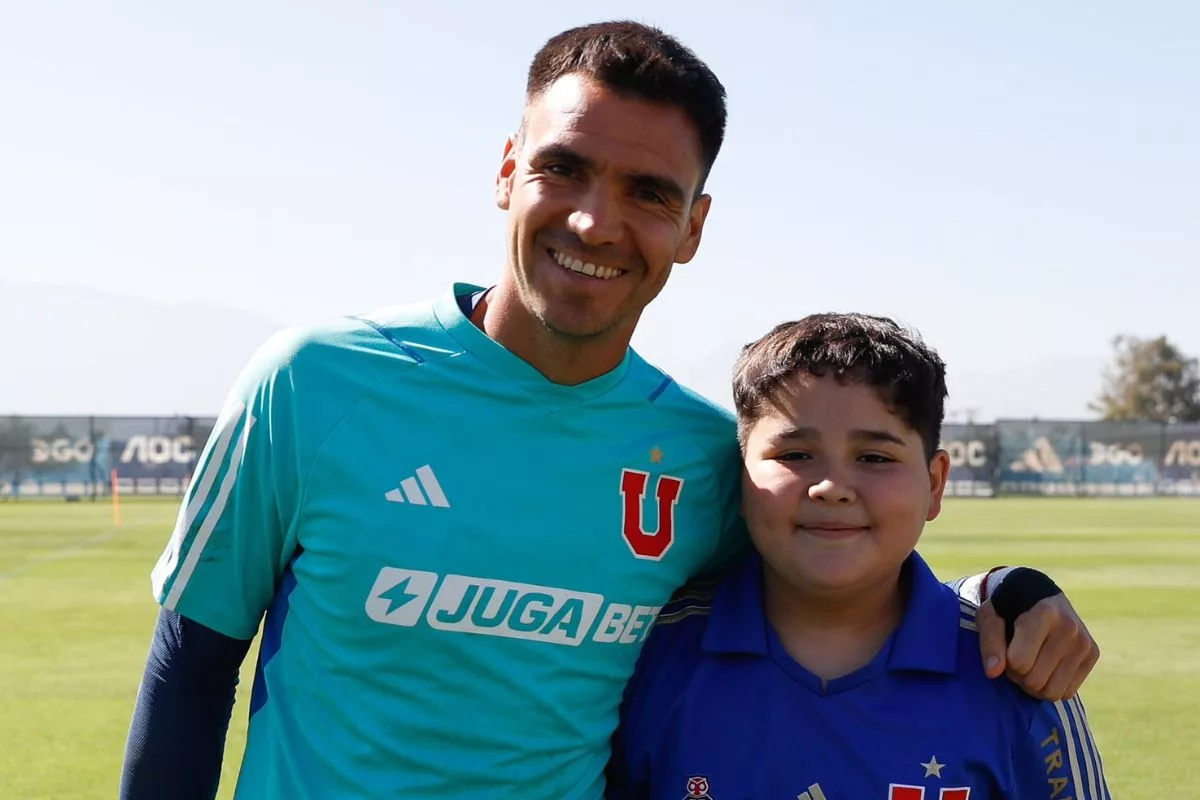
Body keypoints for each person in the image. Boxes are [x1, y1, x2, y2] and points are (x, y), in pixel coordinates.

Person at [120, 21, 1099, 800]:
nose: (595, 219)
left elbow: (835, 562)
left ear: (692, 227)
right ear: (508, 169)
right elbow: (190, 666)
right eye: (564, 169)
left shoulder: (704, 458)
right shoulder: (315, 380)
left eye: (647, 191)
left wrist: (1006, 588)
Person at [607, 313, 1110, 800]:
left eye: (875, 458)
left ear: (934, 484)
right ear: (741, 476)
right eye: (795, 455)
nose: (831, 487)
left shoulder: (1016, 670)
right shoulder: (653, 651)